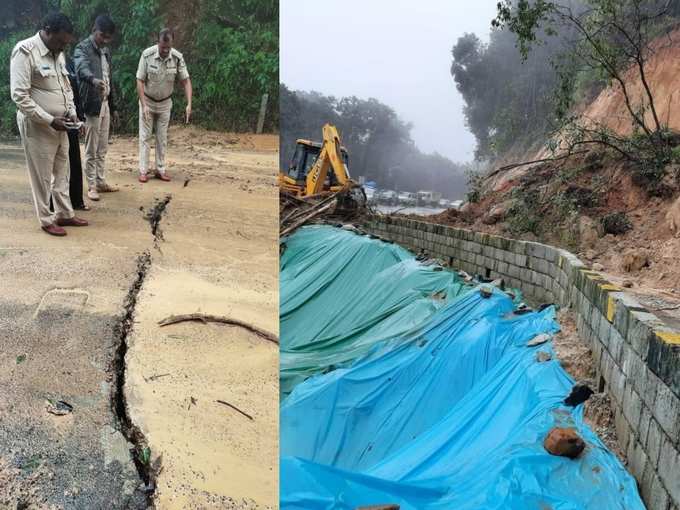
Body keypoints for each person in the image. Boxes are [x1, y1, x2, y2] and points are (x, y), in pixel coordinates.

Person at [10, 12, 89, 236]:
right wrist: (49, 120)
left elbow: (66, 88)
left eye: (65, 43)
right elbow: (20, 97)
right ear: (47, 30)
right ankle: (46, 219)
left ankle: (64, 213)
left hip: (62, 124)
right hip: (38, 126)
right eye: (59, 41)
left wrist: (72, 113)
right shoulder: (25, 51)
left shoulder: (58, 53)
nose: (63, 46)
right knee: (42, 176)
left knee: (62, 171)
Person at [136, 28, 192, 183]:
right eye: (163, 47)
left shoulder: (177, 58)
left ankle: (160, 169)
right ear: (158, 43)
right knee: (145, 137)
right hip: (147, 102)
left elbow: (186, 81)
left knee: (162, 138)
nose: (166, 50)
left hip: (165, 104)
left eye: (169, 47)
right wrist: (143, 104)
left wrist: (189, 104)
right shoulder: (147, 55)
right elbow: (139, 80)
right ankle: (143, 170)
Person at [74, 14, 119, 201]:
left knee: (102, 147)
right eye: (102, 35)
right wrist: (93, 80)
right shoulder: (82, 48)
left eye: (108, 37)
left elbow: (110, 79)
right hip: (91, 105)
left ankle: (100, 181)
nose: (105, 40)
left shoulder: (106, 51)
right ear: (94, 30)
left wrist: (114, 106)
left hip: (105, 104)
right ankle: (91, 185)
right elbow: (80, 69)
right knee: (91, 149)